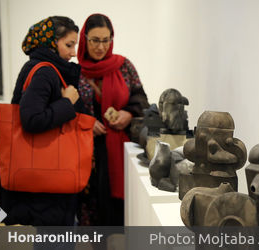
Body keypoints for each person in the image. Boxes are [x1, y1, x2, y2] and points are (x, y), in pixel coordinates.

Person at [0, 16, 85, 226]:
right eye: (69, 45)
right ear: (51, 43)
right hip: (47, 181)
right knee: (54, 240)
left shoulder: (46, 68)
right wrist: (66, 102)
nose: (73, 53)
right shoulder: (45, 72)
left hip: (43, 178)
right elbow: (31, 119)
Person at [77, 13, 149, 226]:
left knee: (122, 213)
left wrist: (128, 113)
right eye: (95, 40)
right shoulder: (75, 72)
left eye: (105, 40)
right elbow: (67, 110)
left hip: (121, 148)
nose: (101, 47)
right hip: (88, 153)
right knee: (94, 210)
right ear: (84, 39)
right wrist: (86, 123)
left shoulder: (123, 66)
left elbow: (141, 98)